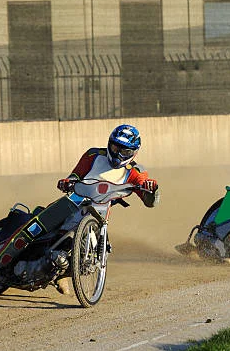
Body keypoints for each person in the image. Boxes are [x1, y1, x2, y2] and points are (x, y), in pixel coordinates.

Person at [53, 124, 160, 293]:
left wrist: (151, 189)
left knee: (94, 246)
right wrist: (69, 181)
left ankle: (65, 273)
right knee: (50, 224)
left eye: (125, 152)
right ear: (109, 143)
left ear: (134, 152)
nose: (118, 155)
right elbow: (76, 174)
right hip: (75, 200)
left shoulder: (136, 171)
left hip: (100, 211)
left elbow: (149, 200)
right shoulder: (93, 154)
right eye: (115, 147)